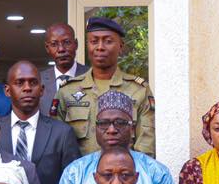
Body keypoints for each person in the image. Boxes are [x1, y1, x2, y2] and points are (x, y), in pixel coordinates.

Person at [55, 90, 177, 184]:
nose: (111, 129)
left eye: (120, 123)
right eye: (104, 123)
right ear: (96, 129)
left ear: (132, 129)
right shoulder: (75, 173)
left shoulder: (157, 172)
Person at [57, 16, 156, 157]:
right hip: (80, 176)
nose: (100, 47)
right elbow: (58, 146)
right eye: (94, 41)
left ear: (121, 46)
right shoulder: (67, 91)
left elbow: (146, 147)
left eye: (108, 41)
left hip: (125, 175)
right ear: (87, 45)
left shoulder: (139, 90)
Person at [0, 60, 79, 184]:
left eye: (33, 83)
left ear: (42, 90)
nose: (27, 88)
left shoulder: (62, 134)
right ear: (7, 90)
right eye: (19, 83)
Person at [39, 23, 86, 116]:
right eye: (54, 44)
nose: (61, 49)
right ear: (47, 48)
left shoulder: (91, 75)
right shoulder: (38, 81)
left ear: (76, 44)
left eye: (67, 42)